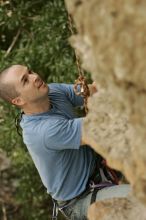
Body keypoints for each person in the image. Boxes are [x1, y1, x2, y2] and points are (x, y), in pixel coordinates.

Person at [0, 65, 131, 220]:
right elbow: (105, 127)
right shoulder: (44, 132)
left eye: (30, 72)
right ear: (18, 100)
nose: (34, 77)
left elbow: (93, 91)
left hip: (99, 165)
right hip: (81, 200)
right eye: (25, 80)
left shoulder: (52, 92)